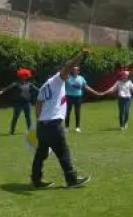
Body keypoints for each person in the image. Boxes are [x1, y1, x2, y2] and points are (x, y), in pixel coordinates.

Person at [31, 49, 90, 188]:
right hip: (53, 125)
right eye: (66, 73)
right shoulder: (57, 80)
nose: (68, 74)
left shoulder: (44, 86)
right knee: (63, 152)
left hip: (42, 126)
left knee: (40, 154)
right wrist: (81, 55)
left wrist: (41, 121)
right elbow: (69, 65)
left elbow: (38, 107)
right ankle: (71, 179)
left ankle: (36, 179)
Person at [0, 68, 40, 135]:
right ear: (20, 76)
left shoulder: (30, 84)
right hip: (18, 103)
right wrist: (0, 92)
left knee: (28, 117)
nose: (25, 77)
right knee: (15, 117)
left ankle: (30, 131)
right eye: (23, 76)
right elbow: (7, 88)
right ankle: (12, 131)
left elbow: (38, 90)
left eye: (26, 76)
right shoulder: (15, 84)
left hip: (27, 103)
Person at [64, 65, 98, 133]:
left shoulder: (81, 78)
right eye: (73, 70)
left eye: (76, 70)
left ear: (78, 71)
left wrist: (94, 92)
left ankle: (77, 127)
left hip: (78, 97)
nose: (75, 71)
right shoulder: (68, 77)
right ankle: (66, 127)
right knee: (67, 112)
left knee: (77, 112)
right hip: (69, 96)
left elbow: (86, 87)